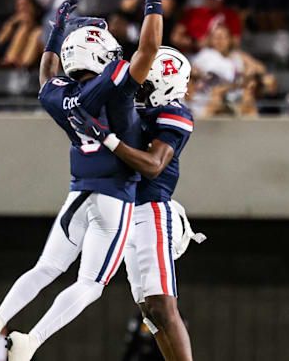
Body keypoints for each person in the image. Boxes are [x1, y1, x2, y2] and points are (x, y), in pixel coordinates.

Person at [0, 0, 167, 361]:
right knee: (91, 283)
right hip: (114, 198)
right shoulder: (114, 81)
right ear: (101, 54)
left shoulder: (58, 95)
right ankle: (31, 340)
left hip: (77, 194)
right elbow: (148, 50)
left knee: (45, 267)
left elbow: (46, 74)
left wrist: (54, 32)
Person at [70, 46, 205, 361]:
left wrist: (109, 139)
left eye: (145, 82)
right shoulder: (136, 107)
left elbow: (153, 165)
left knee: (162, 304)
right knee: (148, 311)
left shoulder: (173, 113)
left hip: (151, 210)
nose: (138, 87)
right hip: (126, 210)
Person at [170, 0, 242, 54]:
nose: (210, 0)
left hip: (220, 56)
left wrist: (216, 42)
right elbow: (175, 38)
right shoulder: (192, 13)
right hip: (192, 55)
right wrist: (195, 43)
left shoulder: (231, 16)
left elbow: (236, 41)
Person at [0, 0, 44, 68]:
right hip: (8, 61)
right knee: (23, 29)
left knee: (36, 33)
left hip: (29, 64)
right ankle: (11, 64)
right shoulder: (13, 25)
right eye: (19, 5)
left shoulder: (40, 28)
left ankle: (21, 66)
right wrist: (12, 22)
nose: (22, 8)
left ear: (33, 7)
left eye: (25, 5)